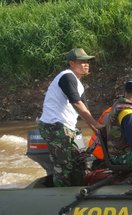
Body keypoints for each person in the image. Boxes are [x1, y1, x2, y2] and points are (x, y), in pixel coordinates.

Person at [38, 48, 103, 187]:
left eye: (87, 62)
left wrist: (97, 130)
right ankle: (60, 197)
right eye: (82, 62)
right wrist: (97, 125)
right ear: (72, 63)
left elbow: (84, 110)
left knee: (80, 161)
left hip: (68, 127)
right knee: (64, 165)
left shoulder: (78, 84)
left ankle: (78, 190)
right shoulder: (67, 76)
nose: (86, 64)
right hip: (55, 126)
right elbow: (77, 104)